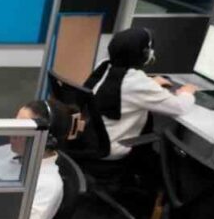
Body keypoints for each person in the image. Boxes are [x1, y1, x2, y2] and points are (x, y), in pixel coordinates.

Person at [83, 27, 196, 159]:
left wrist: (151, 83)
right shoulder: (137, 82)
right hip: (112, 149)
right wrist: (187, 92)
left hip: (89, 141)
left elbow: (125, 88)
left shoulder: (104, 65)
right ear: (144, 54)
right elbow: (180, 107)